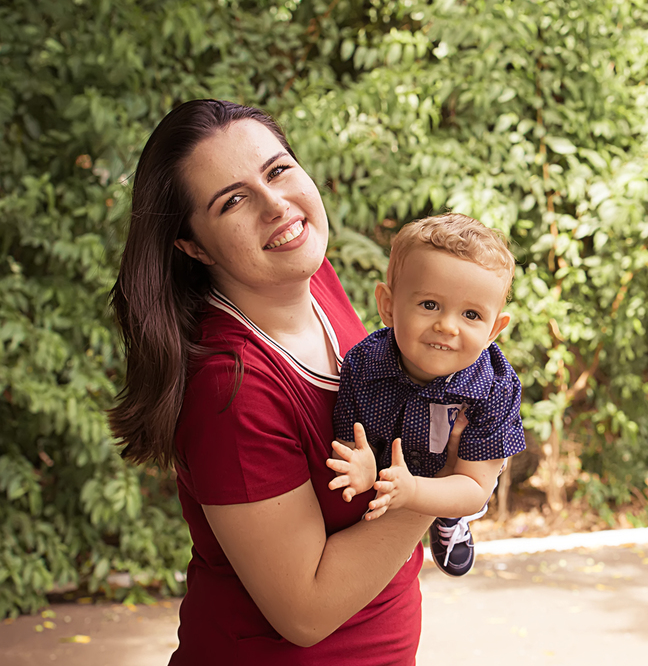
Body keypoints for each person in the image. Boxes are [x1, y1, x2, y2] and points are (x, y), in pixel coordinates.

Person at [108, 99, 450, 664]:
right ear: (191, 245)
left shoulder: (313, 280)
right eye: (234, 200)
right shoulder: (231, 391)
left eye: (278, 170)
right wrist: (449, 463)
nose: (276, 205)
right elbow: (305, 611)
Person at [328, 214, 525, 578]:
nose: (447, 326)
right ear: (388, 305)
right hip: (389, 466)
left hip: (457, 476)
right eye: (430, 305)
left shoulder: (494, 387)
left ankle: (449, 521)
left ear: (494, 329)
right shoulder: (363, 365)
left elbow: (475, 487)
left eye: (471, 314)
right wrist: (363, 466)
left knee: (453, 498)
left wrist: (416, 492)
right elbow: (350, 439)